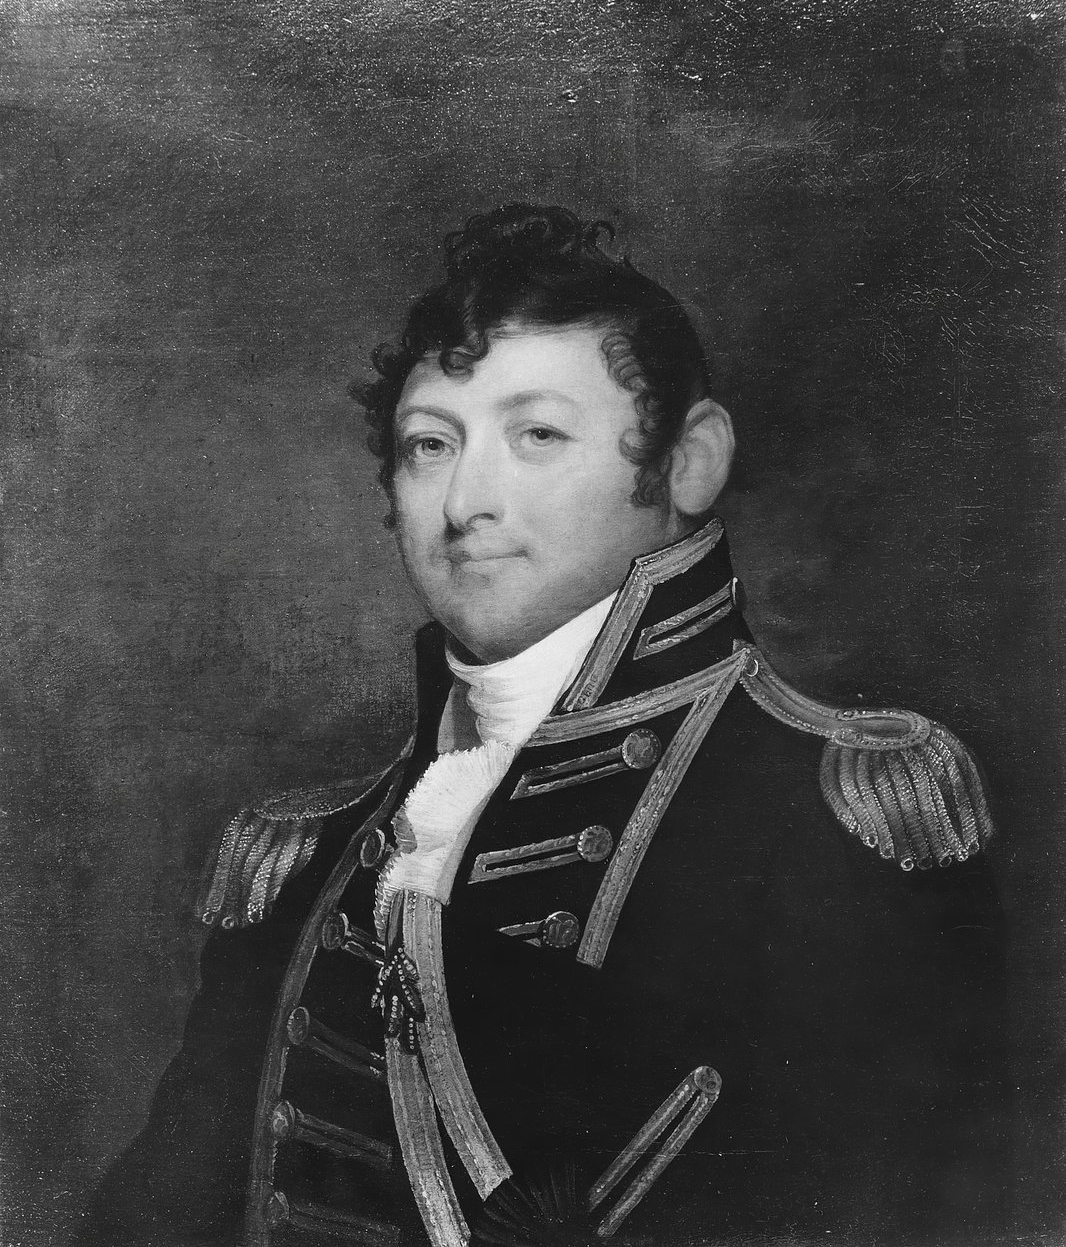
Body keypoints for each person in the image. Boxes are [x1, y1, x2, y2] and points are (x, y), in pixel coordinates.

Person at [83, 204, 1008, 1247]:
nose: (465, 502)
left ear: (689, 461)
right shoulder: (303, 862)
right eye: (430, 445)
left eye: (537, 436)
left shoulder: (836, 813)